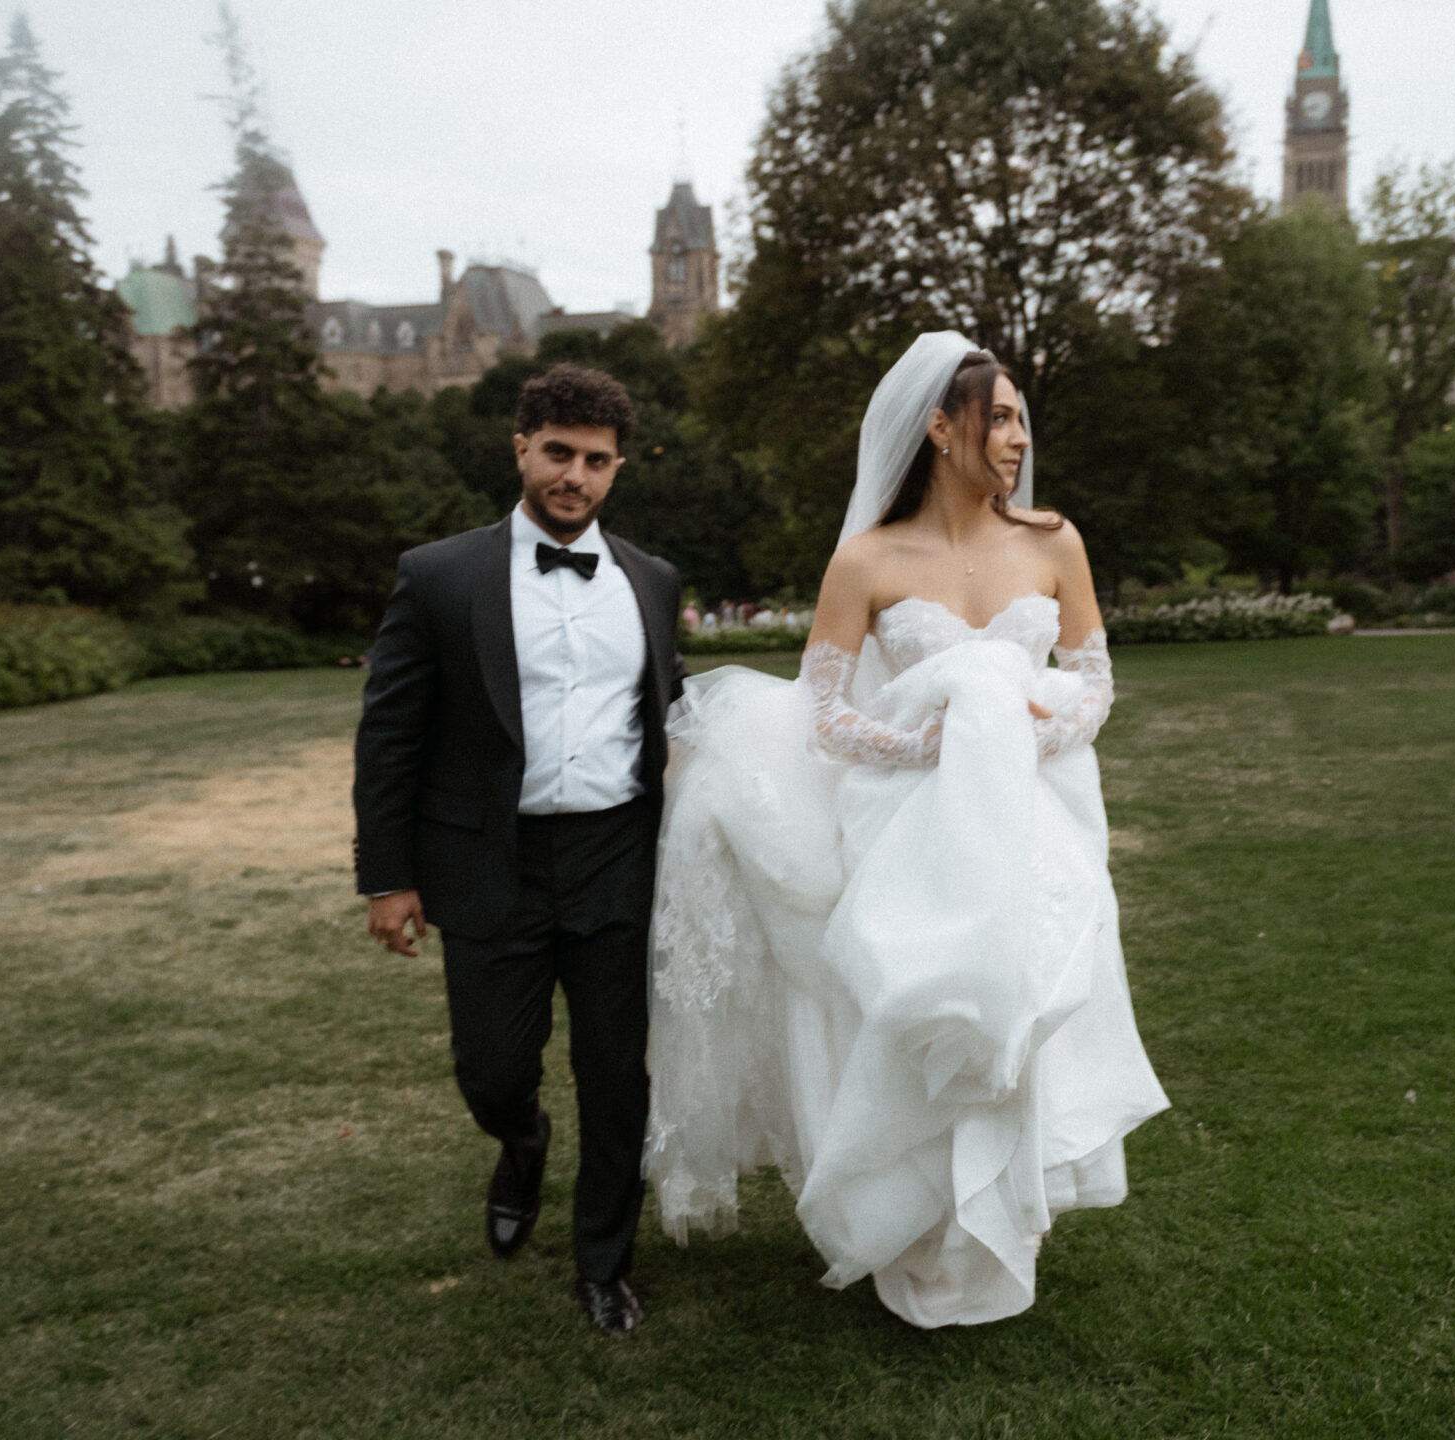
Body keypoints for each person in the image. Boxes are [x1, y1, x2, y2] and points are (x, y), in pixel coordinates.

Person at [646, 332, 1167, 1327]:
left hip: (1037, 814)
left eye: (1020, 420)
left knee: (1025, 995)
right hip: (912, 823)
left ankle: (1007, 1214)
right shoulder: (867, 560)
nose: (1017, 438)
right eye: (998, 418)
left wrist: (1037, 731)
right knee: (926, 1002)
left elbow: (1094, 678)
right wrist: (926, 745)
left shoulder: (1053, 541)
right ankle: (919, 1221)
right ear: (938, 427)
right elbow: (824, 714)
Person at [353, 363, 686, 1335]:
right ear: (520, 450)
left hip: (617, 858)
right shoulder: (439, 575)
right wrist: (388, 877)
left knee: (617, 1076)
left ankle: (603, 1264)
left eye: (596, 460)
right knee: (493, 1070)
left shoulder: (652, 580)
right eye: (557, 453)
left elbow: (668, 717)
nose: (574, 476)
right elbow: (390, 736)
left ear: (617, 468)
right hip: (487, 861)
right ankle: (522, 1142)